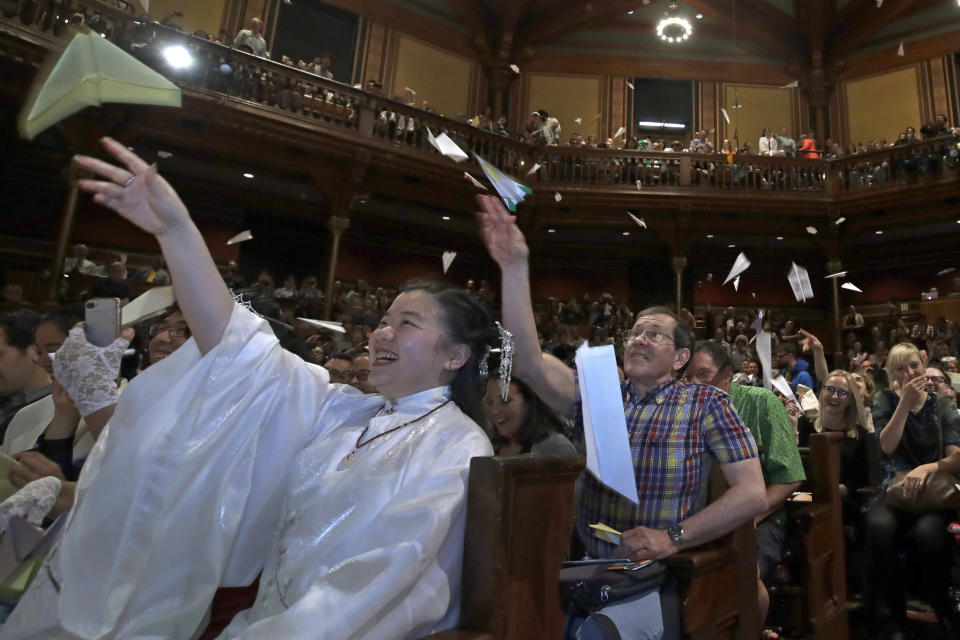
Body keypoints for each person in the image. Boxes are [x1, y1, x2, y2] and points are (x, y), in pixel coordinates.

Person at [2, 138, 496, 639]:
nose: (382, 332)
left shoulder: (457, 444)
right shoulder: (344, 412)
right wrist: (177, 234)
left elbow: (391, 570)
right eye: (384, 320)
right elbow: (238, 349)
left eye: (407, 323)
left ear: (455, 356)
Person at [477, 194, 766, 638]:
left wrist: (673, 538)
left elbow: (751, 494)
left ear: (680, 357)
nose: (638, 340)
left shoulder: (705, 403)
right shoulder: (599, 394)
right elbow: (530, 362)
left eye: (654, 334)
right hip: (584, 568)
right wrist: (514, 267)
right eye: (634, 333)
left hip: (658, 570)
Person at [686, 341, 805, 631]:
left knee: (742, 572)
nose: (693, 384)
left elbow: (790, 478)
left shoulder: (761, 402)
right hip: (699, 517)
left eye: (702, 374)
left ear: (727, 375)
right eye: (687, 376)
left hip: (758, 518)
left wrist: (750, 518)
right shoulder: (683, 412)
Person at [865, 343, 960, 638]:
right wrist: (904, 402)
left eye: (914, 366)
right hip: (895, 491)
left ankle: (941, 608)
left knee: (929, 534)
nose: (909, 373)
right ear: (892, 373)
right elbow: (886, 445)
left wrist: (925, 469)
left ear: (923, 365)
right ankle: (896, 616)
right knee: (878, 527)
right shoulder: (884, 398)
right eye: (900, 369)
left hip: (933, 492)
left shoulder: (942, 403)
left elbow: (956, 455)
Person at [482, 377, 576, 457]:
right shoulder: (485, 447)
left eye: (505, 401)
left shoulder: (555, 447)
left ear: (529, 401)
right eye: (490, 402)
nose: (494, 411)